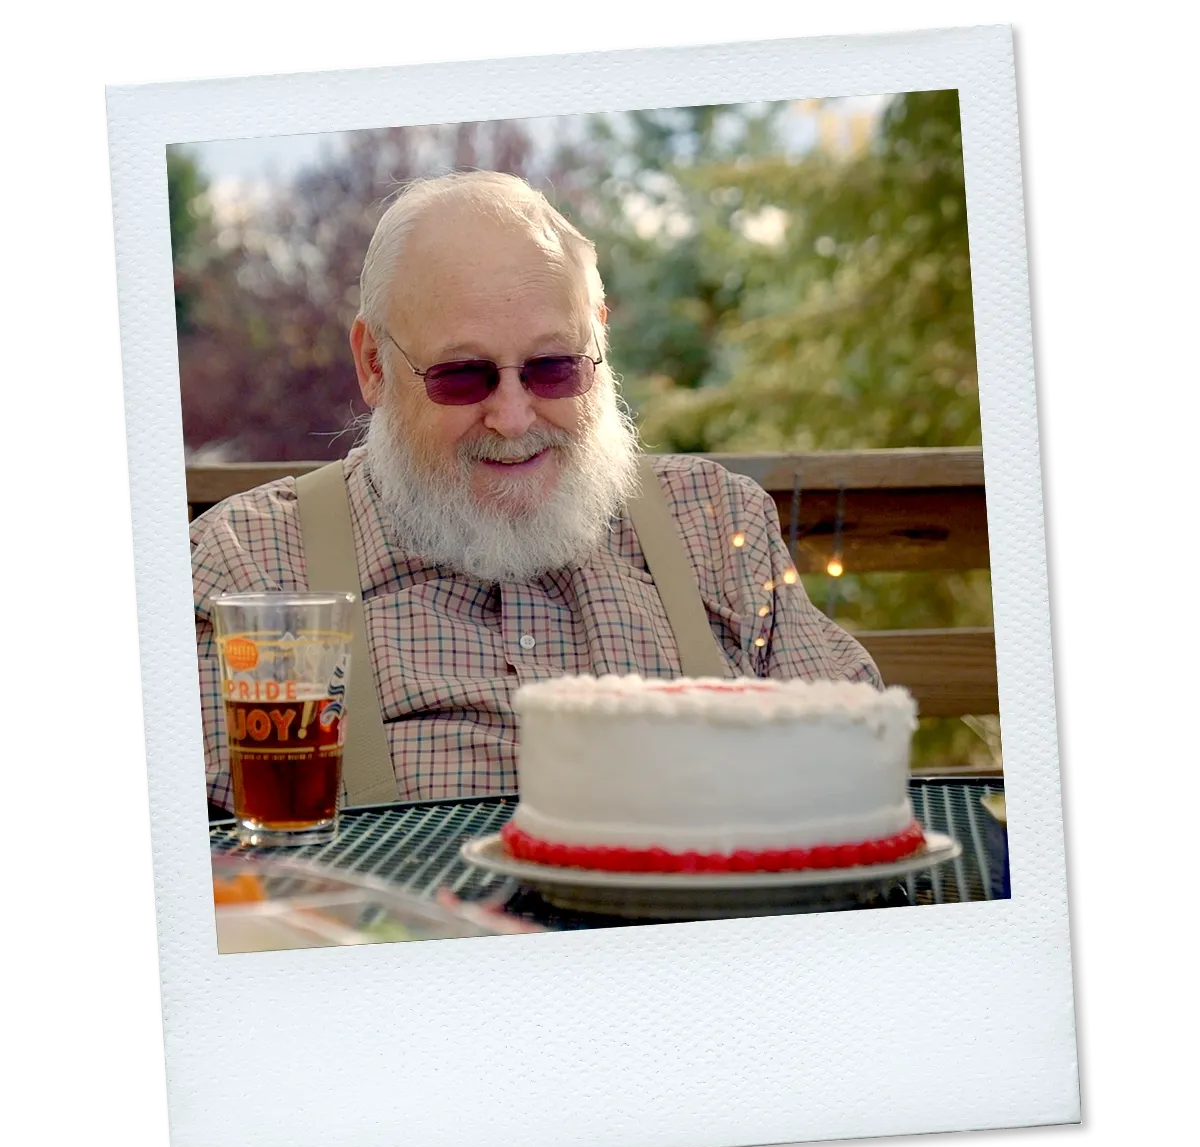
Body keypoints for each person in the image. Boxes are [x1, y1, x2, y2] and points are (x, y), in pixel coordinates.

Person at [192, 170, 880, 812]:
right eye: (463, 375)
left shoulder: (715, 527)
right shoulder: (251, 567)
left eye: (554, 368)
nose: (514, 418)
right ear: (374, 365)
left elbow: (854, 777)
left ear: (599, 341)